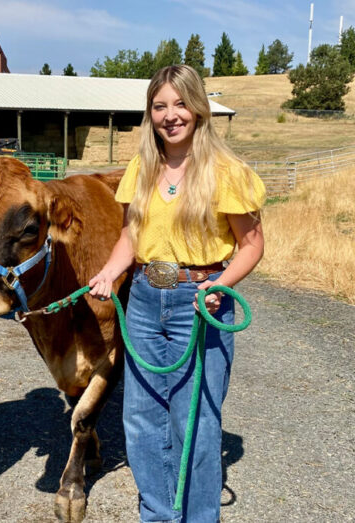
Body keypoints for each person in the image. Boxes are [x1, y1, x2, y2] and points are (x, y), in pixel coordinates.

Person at [89, 64, 265, 522]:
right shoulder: (141, 168)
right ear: (150, 114)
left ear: (199, 108)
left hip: (200, 303)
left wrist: (218, 286)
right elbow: (130, 235)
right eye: (160, 105)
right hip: (146, 299)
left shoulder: (227, 171)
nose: (171, 115)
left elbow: (251, 246)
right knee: (141, 421)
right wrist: (109, 272)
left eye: (180, 103)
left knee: (196, 425)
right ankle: (158, 515)